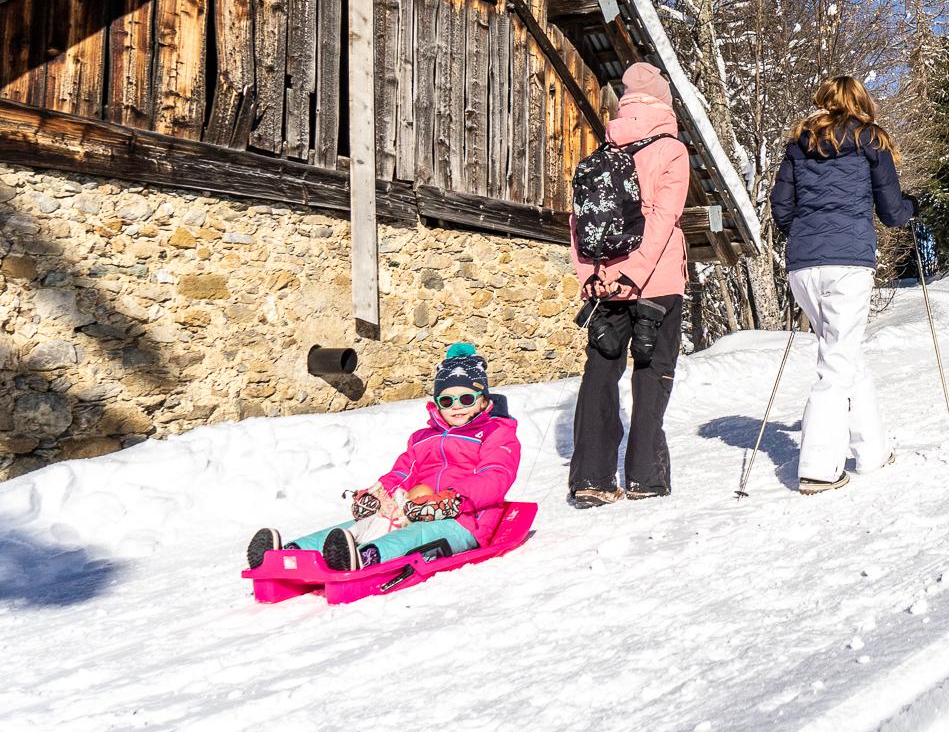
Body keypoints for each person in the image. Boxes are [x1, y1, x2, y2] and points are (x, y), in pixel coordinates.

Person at [244, 343, 521, 572]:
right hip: (411, 509)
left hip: (463, 520)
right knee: (361, 526)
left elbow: (495, 476)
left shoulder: (496, 433)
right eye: (447, 401)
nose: (456, 407)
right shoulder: (423, 438)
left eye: (467, 399)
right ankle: (290, 554)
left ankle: (366, 558)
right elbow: (402, 473)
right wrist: (379, 494)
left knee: (414, 537)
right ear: (437, 404)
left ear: (483, 400)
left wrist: (452, 498)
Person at [770, 75, 918, 495]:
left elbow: (781, 206)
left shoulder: (799, 143)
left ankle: (872, 450)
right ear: (861, 101)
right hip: (848, 261)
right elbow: (891, 212)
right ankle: (819, 466)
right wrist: (912, 208)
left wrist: (802, 233)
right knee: (836, 361)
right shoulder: (871, 140)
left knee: (844, 352)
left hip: (803, 262)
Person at [569, 61, 692, 508]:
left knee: (600, 373)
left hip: (604, 284)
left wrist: (593, 279)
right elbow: (663, 218)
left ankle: (592, 479)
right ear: (664, 103)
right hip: (655, 281)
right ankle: (645, 476)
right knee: (651, 372)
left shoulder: (601, 154)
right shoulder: (671, 150)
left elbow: (579, 223)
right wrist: (636, 274)